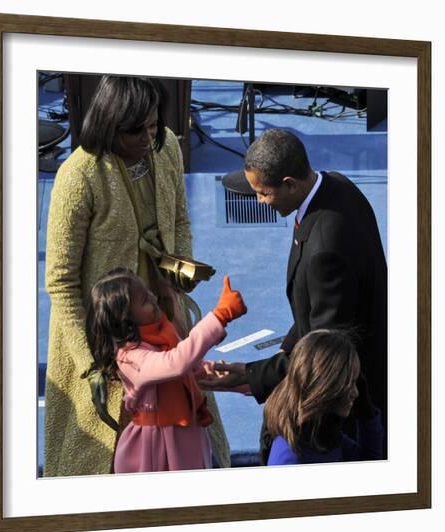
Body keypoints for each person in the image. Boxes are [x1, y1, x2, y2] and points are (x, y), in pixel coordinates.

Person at [43, 76, 231, 477]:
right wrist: (91, 364)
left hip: (160, 314)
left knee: (181, 424)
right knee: (103, 457)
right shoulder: (78, 176)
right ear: (111, 126)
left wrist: (178, 275)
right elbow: (60, 281)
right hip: (103, 335)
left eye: (152, 125)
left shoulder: (166, 149)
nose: (150, 137)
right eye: (137, 131)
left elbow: (179, 219)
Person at [201, 128, 388, 459]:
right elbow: (311, 317)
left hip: (344, 407)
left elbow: (324, 352)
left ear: (289, 183)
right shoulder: (336, 187)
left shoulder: (325, 251)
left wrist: (250, 375)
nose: (259, 201)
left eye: (264, 193)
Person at [85, 269, 247, 472]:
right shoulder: (130, 358)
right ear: (126, 320)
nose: (153, 298)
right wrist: (220, 316)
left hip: (187, 435)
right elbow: (176, 363)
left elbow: (190, 371)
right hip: (155, 450)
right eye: (144, 300)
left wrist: (241, 379)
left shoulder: (160, 334)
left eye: (148, 293)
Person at [264, 329, 383, 465]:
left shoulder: (321, 432)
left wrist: (366, 414)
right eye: (348, 384)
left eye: (356, 382)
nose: (356, 393)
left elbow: (368, 465)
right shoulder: (290, 458)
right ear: (324, 386)